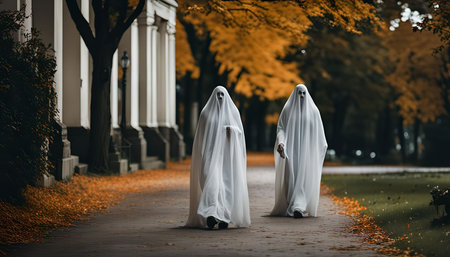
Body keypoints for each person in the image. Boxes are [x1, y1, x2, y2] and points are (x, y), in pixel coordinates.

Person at [186, 86, 251, 229]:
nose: (220, 97)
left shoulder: (233, 112)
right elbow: (200, 137)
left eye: (222, 95)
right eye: (218, 95)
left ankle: (223, 216)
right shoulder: (206, 113)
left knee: (226, 186)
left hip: (227, 157)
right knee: (212, 184)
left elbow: (240, 135)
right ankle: (212, 212)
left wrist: (231, 131)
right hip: (209, 155)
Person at [271, 84, 328, 218]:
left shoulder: (314, 111)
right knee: (292, 176)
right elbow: (282, 128)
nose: (301, 96)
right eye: (299, 93)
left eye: (303, 93)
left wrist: (319, 147)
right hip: (292, 151)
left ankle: (299, 206)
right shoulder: (288, 109)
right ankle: (293, 202)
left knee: (304, 177)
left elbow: (319, 133)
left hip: (307, 152)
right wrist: (281, 142)